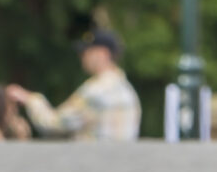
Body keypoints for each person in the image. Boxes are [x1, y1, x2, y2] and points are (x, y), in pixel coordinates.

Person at [13, 28, 142, 141]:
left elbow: (54, 125)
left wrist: (31, 100)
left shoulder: (95, 91)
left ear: (103, 53)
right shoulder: (129, 92)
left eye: (87, 51)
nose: (82, 56)